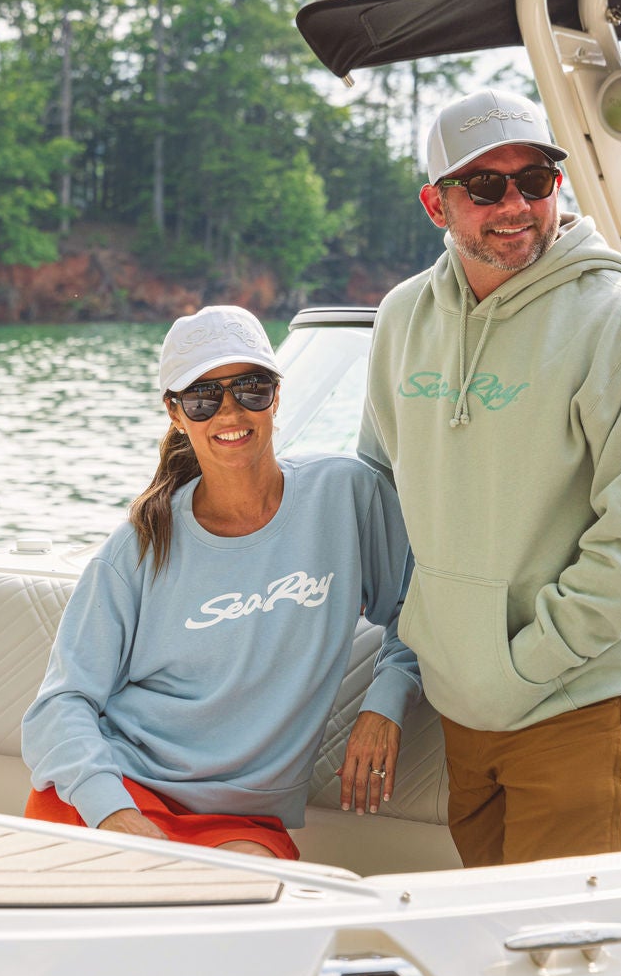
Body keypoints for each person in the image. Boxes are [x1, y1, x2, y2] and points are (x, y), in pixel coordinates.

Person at [355, 88, 621, 867]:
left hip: (580, 703)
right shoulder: (401, 318)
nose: (514, 203)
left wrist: (523, 665)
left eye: (536, 180)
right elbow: (381, 493)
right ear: (435, 204)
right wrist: (415, 663)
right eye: (484, 185)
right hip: (461, 710)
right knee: (491, 951)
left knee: (580, 965)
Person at [21, 306, 418, 858]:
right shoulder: (139, 545)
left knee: (246, 915)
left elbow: (418, 607)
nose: (230, 411)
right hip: (117, 794)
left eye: (250, 388)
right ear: (176, 413)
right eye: (204, 397)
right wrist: (114, 814)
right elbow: (58, 706)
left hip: (241, 818)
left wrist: (387, 701)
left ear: (276, 396)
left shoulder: (346, 496)